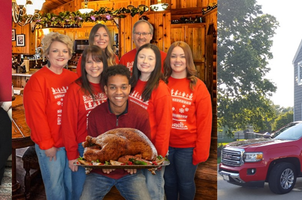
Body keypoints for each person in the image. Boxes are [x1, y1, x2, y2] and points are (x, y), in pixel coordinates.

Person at [77, 66, 151, 200]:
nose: (118, 92)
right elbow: (92, 147)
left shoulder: (141, 115)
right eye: (113, 87)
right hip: (100, 173)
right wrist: (101, 165)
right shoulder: (94, 114)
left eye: (123, 87)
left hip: (130, 174)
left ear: (129, 88)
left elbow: (145, 150)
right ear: (105, 89)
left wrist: (136, 165)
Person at [24, 32, 81, 200]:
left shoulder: (73, 78)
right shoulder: (37, 80)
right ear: (47, 53)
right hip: (51, 146)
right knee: (55, 187)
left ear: (70, 54)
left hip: (71, 144)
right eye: (55, 51)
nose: (61, 55)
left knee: (72, 185)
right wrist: (47, 144)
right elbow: (36, 116)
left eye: (65, 51)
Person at [163, 41, 213, 200]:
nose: (177, 60)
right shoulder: (162, 84)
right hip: (166, 146)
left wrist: (202, 150)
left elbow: (205, 122)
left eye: (182, 56)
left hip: (188, 148)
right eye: (174, 56)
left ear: (188, 59)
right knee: (169, 182)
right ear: (168, 59)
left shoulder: (198, 86)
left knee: (185, 183)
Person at [62, 46, 111, 197]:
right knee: (80, 193)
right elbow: (68, 124)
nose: (94, 66)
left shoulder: (109, 87)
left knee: (98, 193)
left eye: (98, 61)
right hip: (82, 149)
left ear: (104, 63)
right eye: (89, 62)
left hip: (105, 149)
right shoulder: (75, 89)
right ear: (83, 65)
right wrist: (72, 155)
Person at [131, 43, 174, 199]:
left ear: (157, 63)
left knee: (153, 193)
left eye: (150, 58)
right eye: (142, 57)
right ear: (136, 60)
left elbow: (164, 125)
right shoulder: (132, 84)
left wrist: (159, 156)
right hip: (133, 151)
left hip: (152, 152)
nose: (145, 61)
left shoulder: (161, 89)